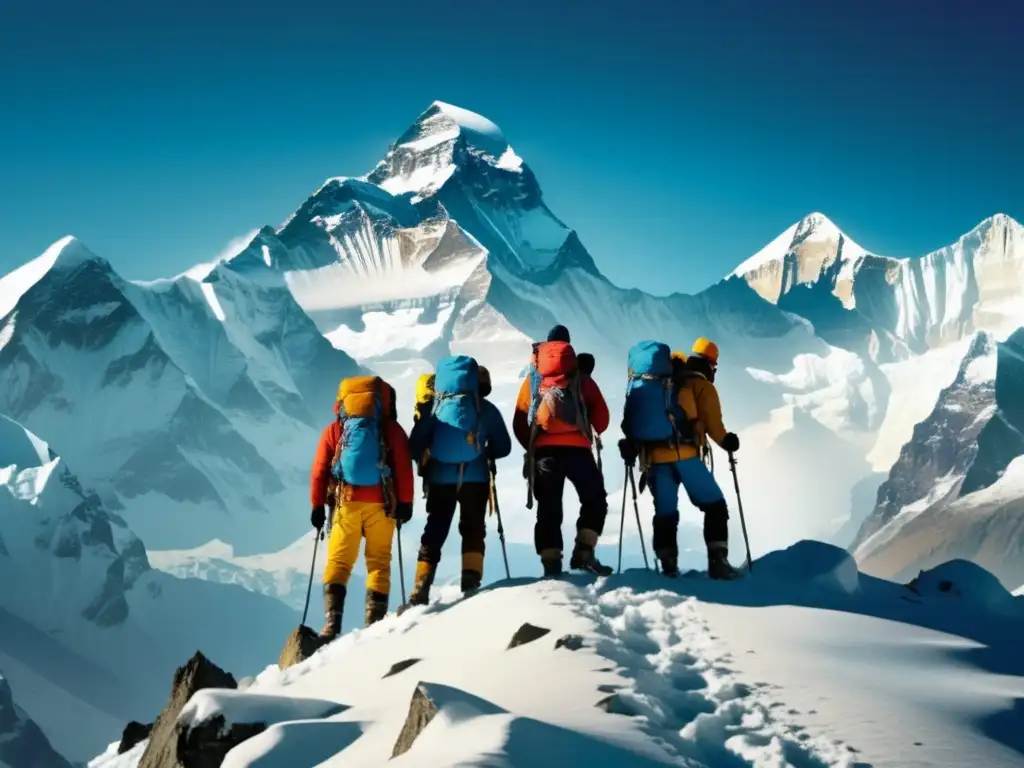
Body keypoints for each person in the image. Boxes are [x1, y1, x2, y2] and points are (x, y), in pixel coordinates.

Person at [619, 337, 741, 579]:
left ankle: (668, 565)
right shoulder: (701, 386)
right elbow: (714, 427)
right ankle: (718, 562)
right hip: (685, 455)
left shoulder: (663, 382)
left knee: (665, 512)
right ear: (710, 364)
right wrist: (728, 441)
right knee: (715, 506)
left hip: (654, 460)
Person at [309, 376, 415, 639]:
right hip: (382, 505)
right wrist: (405, 503)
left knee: (339, 561)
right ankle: (374, 624)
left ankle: (331, 625)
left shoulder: (334, 431)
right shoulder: (391, 429)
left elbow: (320, 471)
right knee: (378, 562)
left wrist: (317, 505)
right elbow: (403, 467)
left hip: (347, 502)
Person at [407, 360, 512, 604]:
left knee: (435, 528)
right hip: (475, 478)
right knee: (473, 529)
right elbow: (504, 447)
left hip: (439, 478)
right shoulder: (485, 409)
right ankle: (471, 583)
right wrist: (484, 452)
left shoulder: (434, 408)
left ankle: (421, 585)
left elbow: (414, 446)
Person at [513, 325, 612, 576]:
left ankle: (551, 564)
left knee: (548, 507)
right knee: (594, 499)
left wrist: (532, 446)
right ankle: (584, 552)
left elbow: (519, 419)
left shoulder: (533, 379)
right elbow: (602, 421)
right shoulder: (580, 377)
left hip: (545, 452)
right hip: (578, 451)